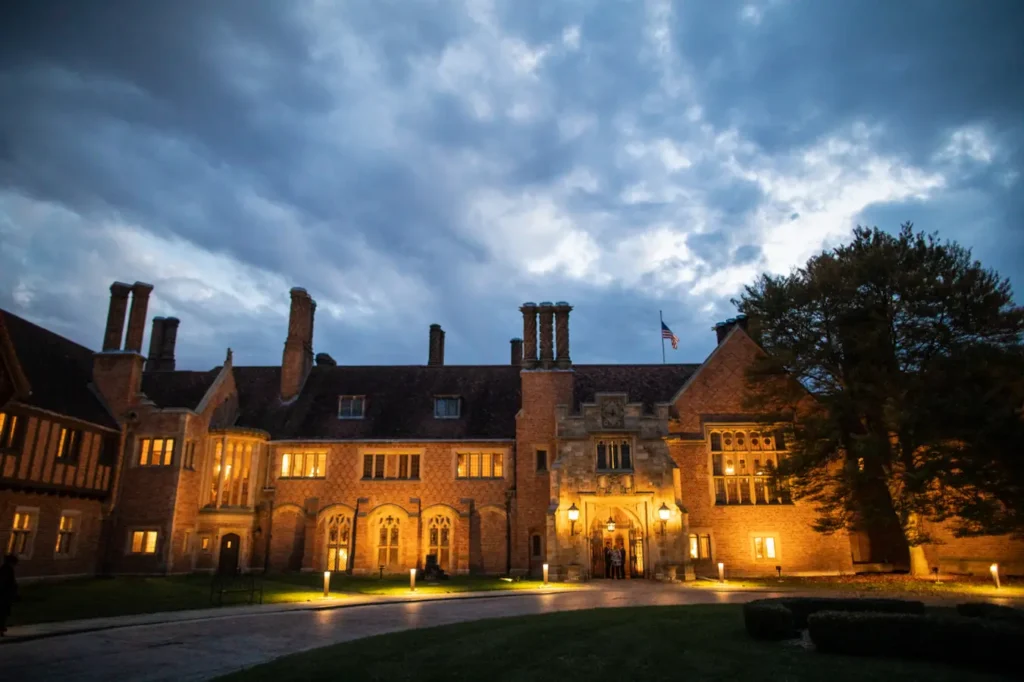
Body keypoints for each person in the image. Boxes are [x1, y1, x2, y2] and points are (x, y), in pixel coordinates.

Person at [0, 554, 18, 636]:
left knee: (4, 612)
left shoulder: (5, 569)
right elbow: (5, 583)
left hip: (6, 595)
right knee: (3, 612)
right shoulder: (7, 570)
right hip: (4, 596)